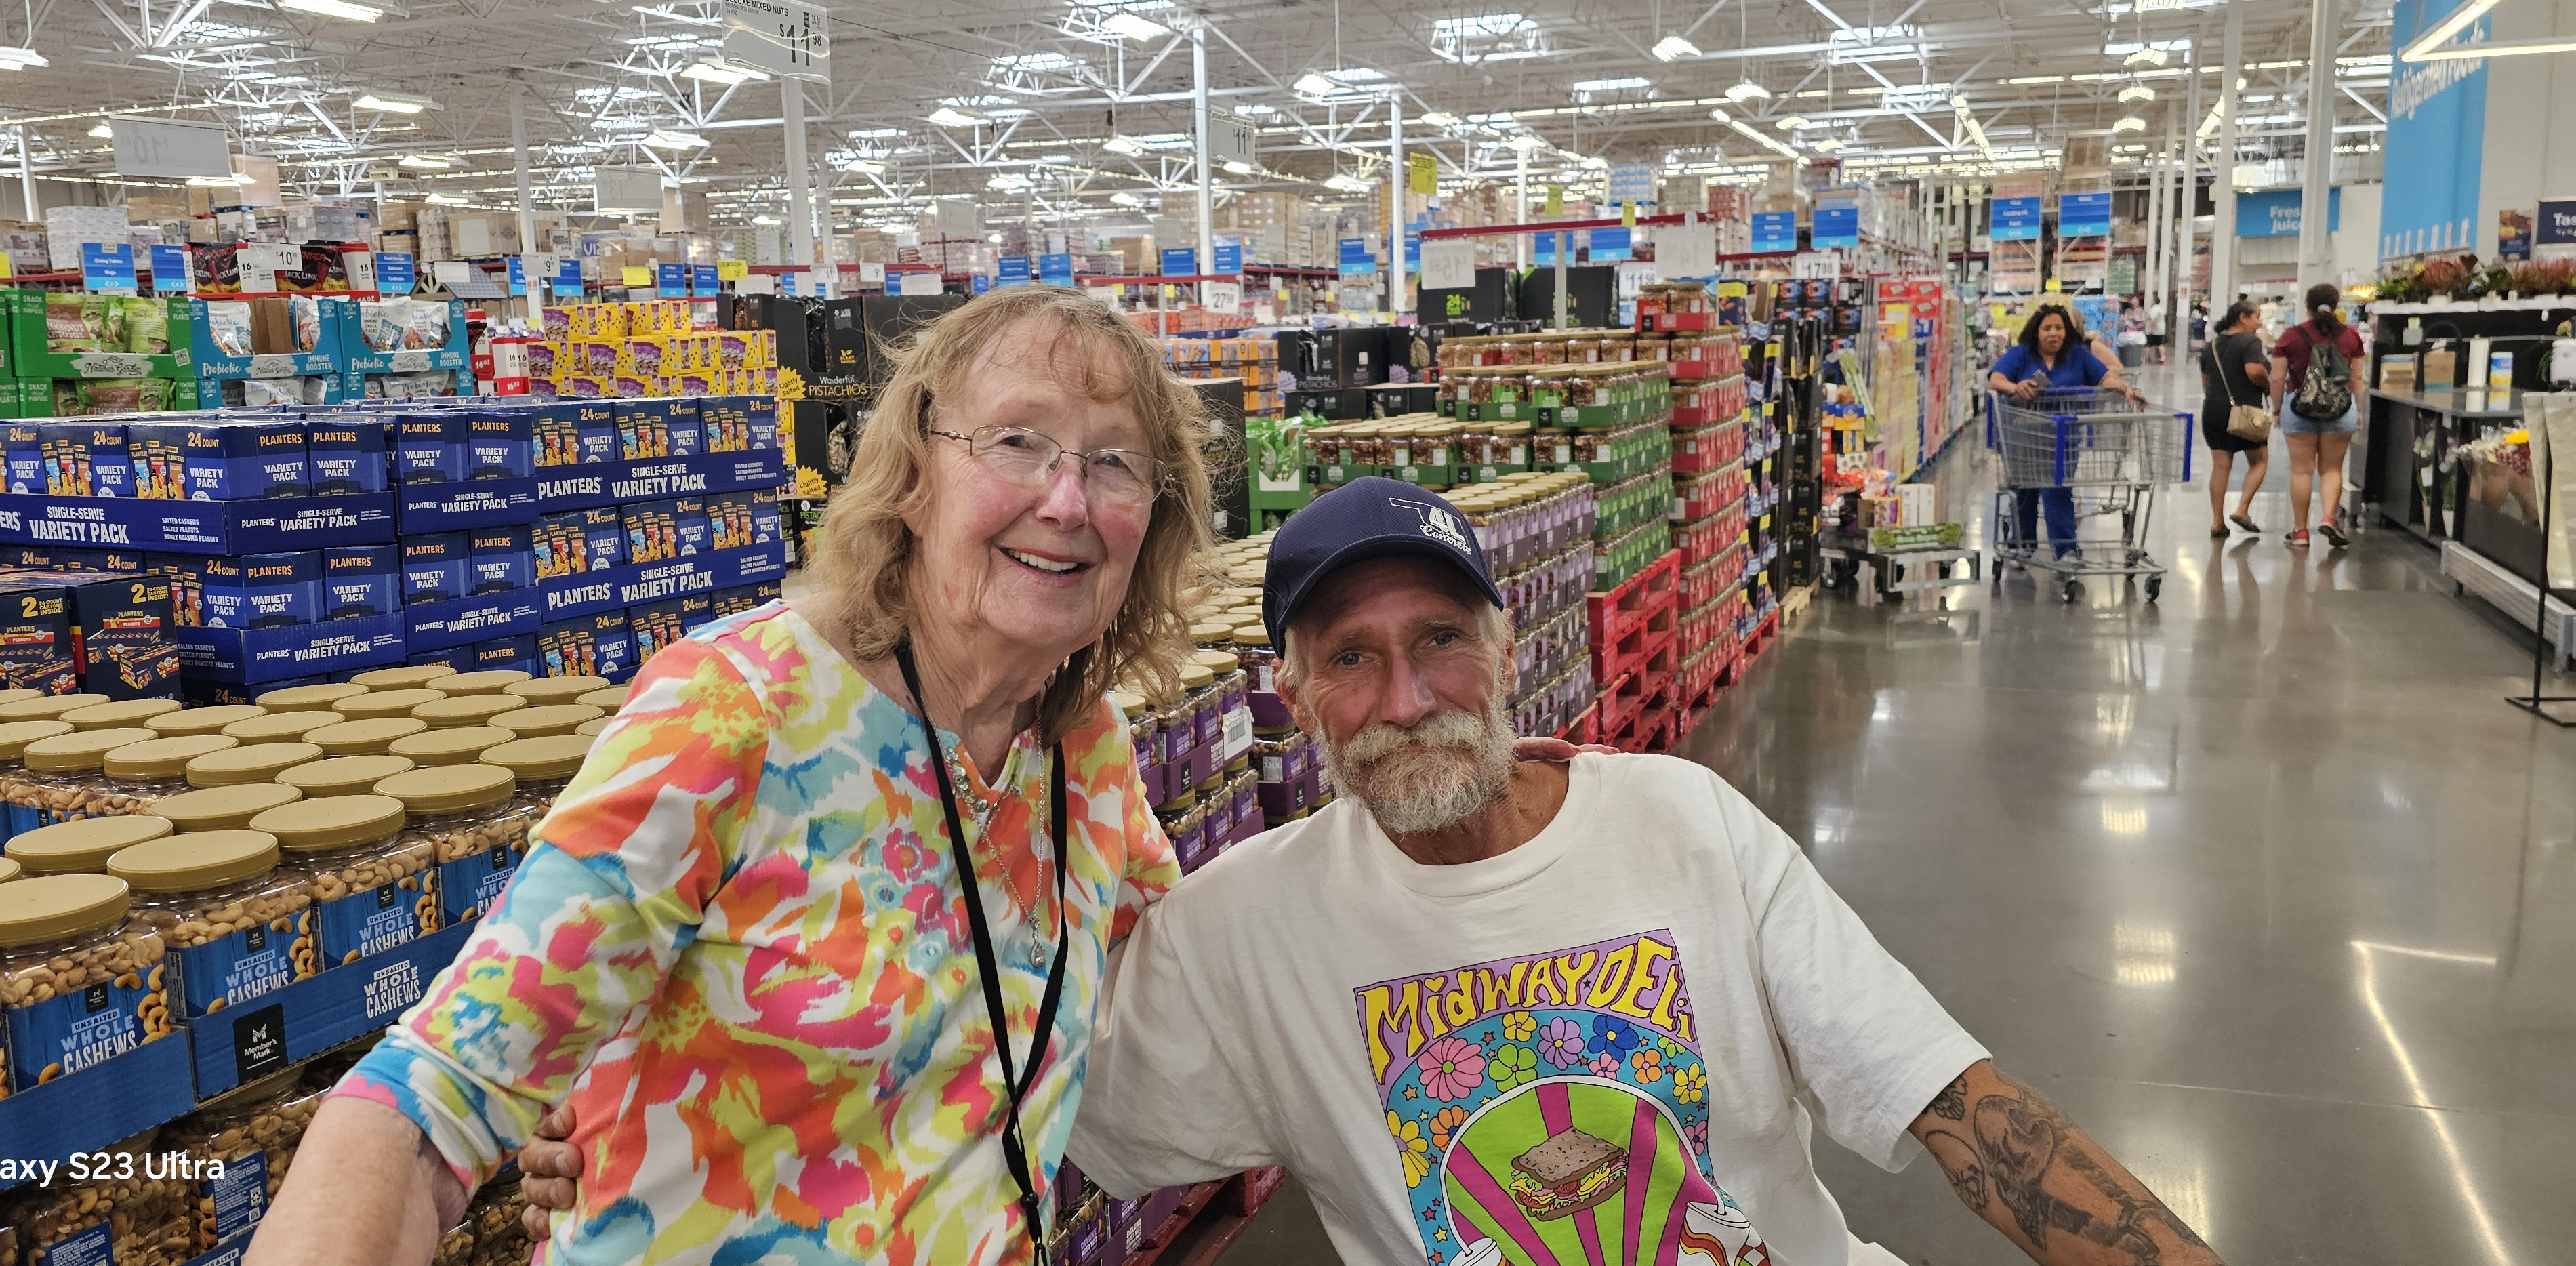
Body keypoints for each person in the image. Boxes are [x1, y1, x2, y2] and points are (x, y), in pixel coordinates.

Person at [527, 478, 2228, 1266]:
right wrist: (641, 1125)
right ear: (1293, 697)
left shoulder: (1684, 825)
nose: (1402, 691)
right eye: (1347, 658)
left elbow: (1959, 1112)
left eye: (1436, 639)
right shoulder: (1240, 926)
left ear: (1508, 645)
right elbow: (969, 1108)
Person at [247, 285, 1221, 1266]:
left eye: (1115, 463)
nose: (1067, 499)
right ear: (916, 476)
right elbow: (430, 1097)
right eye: (1017, 442)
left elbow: (1177, 972)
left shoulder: (1082, 745)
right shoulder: (736, 713)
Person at [1986, 304, 2146, 560]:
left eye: (2059, 328)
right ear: (2036, 331)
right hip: (2023, 436)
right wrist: (2015, 387)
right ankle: (2021, 544)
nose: (2054, 333)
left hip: (2064, 438)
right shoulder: (2021, 354)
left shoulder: (2078, 356)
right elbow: (1996, 379)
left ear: (2067, 331)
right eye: (2047, 328)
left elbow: (2105, 377)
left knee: (2058, 490)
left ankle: (2066, 549)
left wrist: (2124, 387)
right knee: (2024, 490)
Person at [2266, 282, 2367, 549]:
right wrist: (2359, 412)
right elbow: (2357, 380)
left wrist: (2276, 409)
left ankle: (2300, 532)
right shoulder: (2351, 336)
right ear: (2337, 307)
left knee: (2301, 470)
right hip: (2341, 409)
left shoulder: (2290, 336)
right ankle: (2328, 518)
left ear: (2307, 307)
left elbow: (2277, 378)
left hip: (2299, 408)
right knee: (2332, 469)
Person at [2197, 299, 2272, 537]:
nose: (2259, 323)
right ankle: (2242, 510)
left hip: (2213, 411)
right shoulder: (2250, 342)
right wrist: (2267, 385)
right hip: (2244, 412)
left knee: (2220, 467)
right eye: (2257, 317)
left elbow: (2206, 382)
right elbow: (2254, 371)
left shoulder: (2212, 345)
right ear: (2243, 317)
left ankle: (2217, 522)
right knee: (2259, 461)